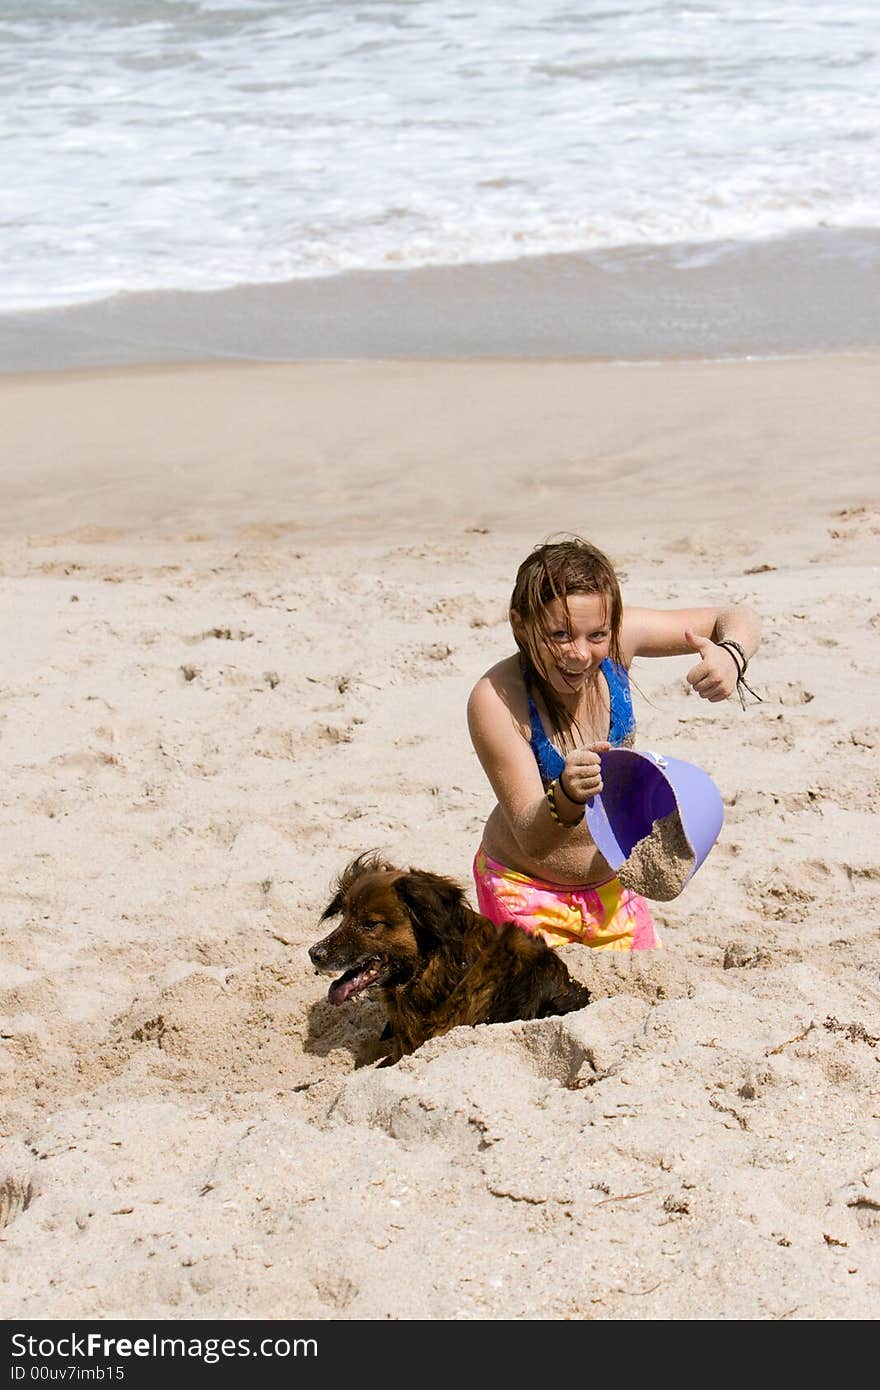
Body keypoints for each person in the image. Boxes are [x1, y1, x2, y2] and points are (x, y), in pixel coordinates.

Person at [467, 536, 762, 952]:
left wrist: (730, 656)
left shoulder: (621, 643)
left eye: (597, 635)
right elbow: (533, 836)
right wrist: (567, 793)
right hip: (526, 891)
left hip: (615, 887)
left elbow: (737, 615)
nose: (581, 654)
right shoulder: (496, 700)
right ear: (520, 624)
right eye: (559, 634)